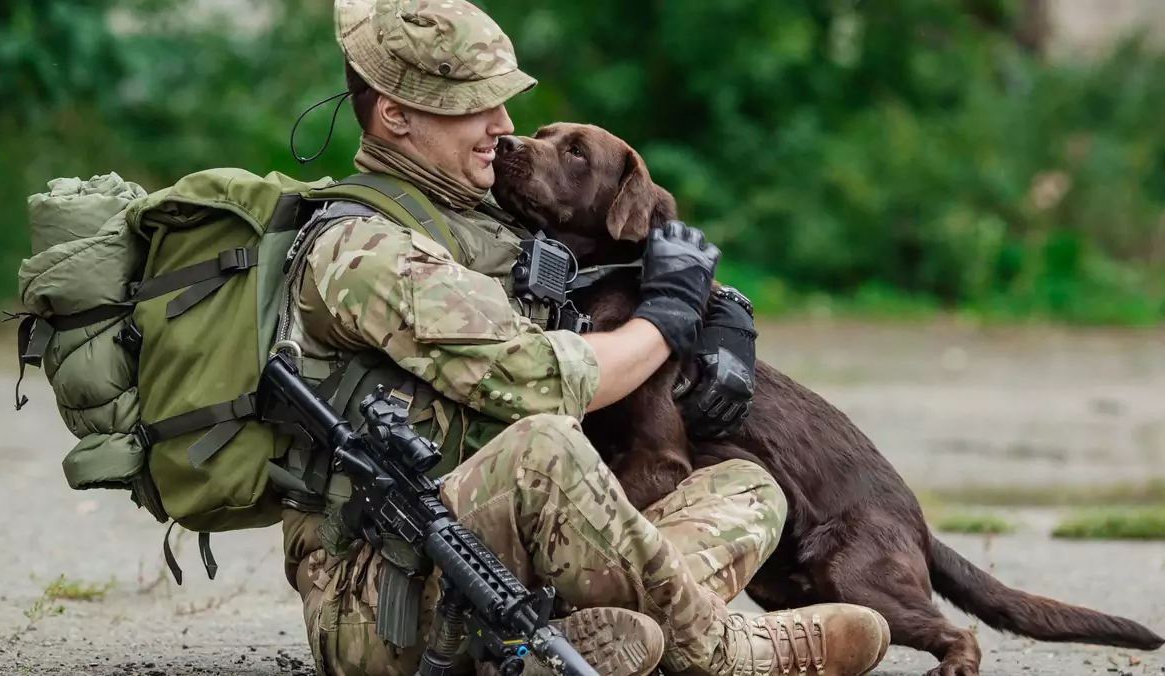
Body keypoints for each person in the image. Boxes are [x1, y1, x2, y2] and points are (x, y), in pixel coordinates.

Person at [272, 1, 892, 675]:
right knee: (545, 443)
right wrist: (665, 320)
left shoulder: (477, 218)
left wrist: (719, 318)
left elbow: (603, 274)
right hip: (387, 597)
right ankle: (728, 650)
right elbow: (543, 382)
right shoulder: (368, 250)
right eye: (474, 105)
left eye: (503, 103)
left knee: (747, 484)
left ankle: (589, 636)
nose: (503, 126)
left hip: (515, 555)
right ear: (396, 113)